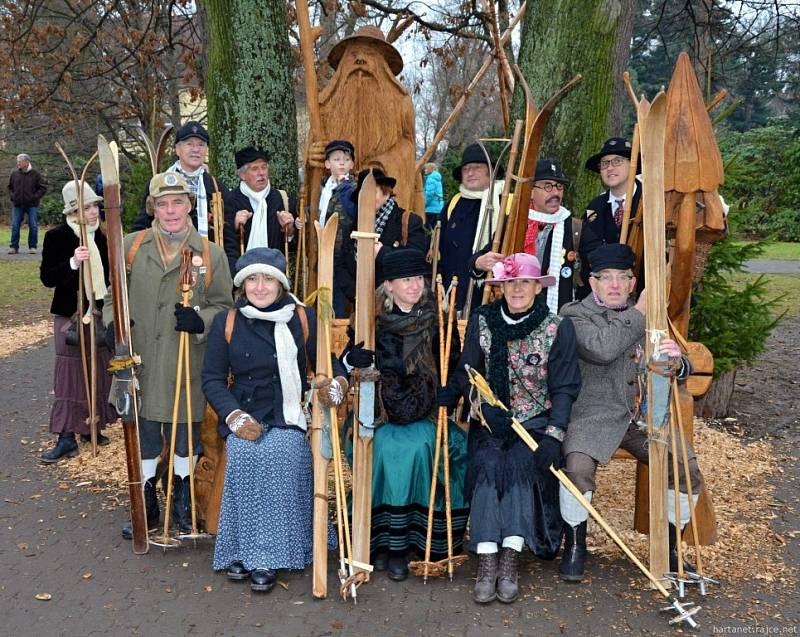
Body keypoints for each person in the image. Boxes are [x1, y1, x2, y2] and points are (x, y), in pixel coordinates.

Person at [202, 247, 347, 592]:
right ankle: (242, 548)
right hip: (245, 414)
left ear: (281, 284)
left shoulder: (302, 318)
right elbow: (211, 378)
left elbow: (332, 365)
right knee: (244, 454)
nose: (260, 286)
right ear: (242, 284)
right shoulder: (228, 321)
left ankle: (266, 555)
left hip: (288, 414)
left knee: (281, 454)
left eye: (268, 278)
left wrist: (337, 386)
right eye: (252, 279)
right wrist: (233, 416)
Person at [439, 252, 581, 604]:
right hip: (490, 420)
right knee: (488, 466)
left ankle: (510, 558)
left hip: (534, 424)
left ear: (537, 287)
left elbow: (564, 388)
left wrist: (553, 436)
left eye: (525, 282)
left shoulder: (556, 327)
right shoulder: (483, 320)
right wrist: (468, 399)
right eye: (510, 282)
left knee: (520, 466)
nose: (517, 289)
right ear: (500, 286)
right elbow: (469, 371)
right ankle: (487, 560)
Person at [557, 243, 702, 582]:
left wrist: (676, 362)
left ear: (632, 282)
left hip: (640, 418)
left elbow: (682, 361)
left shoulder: (651, 316)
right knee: (577, 469)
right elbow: (603, 349)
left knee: (684, 466)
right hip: (591, 416)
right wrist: (640, 312)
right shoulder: (574, 314)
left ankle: (668, 550)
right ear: (592, 283)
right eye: (605, 278)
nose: (614, 285)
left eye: (622, 278)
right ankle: (575, 547)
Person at [103, 172, 233, 539]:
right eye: (163, 203)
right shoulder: (130, 247)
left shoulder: (211, 253)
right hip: (139, 362)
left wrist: (201, 320)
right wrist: (117, 328)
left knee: (184, 437)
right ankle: (145, 502)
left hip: (186, 362)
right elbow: (114, 298)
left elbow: (225, 307)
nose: (171, 210)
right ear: (153, 208)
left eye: (178, 202)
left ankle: (181, 498)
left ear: (190, 205)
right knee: (143, 434)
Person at [342, 248, 468, 581]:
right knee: (382, 446)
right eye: (405, 280)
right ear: (389, 285)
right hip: (381, 412)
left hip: (428, 412)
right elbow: (348, 361)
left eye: (418, 279)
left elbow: (454, 365)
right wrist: (353, 358)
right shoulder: (371, 320)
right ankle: (379, 543)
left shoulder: (439, 318)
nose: (415, 286)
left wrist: (448, 390)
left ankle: (402, 546)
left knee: (416, 448)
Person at [39, 181, 115, 462]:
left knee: (96, 369)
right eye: (86, 207)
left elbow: (110, 279)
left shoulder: (104, 237)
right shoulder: (58, 237)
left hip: (98, 315)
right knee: (71, 375)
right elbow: (48, 278)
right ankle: (66, 437)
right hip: (69, 317)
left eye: (95, 205)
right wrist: (72, 263)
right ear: (73, 209)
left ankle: (90, 426)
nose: (94, 212)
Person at [469, 159, 600, 312]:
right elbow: (479, 259)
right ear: (530, 191)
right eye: (548, 186)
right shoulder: (514, 223)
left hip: (559, 315)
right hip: (516, 312)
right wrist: (480, 262)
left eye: (559, 187)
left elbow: (601, 261)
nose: (556, 193)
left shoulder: (575, 227)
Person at [336, 167, 426, 307]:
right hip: (360, 306)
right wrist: (358, 293)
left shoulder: (408, 221)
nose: (367, 198)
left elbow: (416, 261)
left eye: (372, 192)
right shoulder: (353, 227)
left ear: (386, 192)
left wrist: (382, 253)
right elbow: (341, 265)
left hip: (398, 309)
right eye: (363, 194)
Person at [130, 121, 229, 240]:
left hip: (207, 255)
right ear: (177, 149)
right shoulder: (159, 183)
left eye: (201, 145)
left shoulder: (216, 187)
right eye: (189, 144)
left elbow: (228, 233)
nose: (196, 150)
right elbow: (143, 223)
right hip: (167, 253)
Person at [438, 143, 504, 311]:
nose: (470, 172)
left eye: (477, 167)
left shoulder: (506, 204)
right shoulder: (453, 204)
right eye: (466, 168)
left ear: (491, 170)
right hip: (451, 294)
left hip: (488, 296)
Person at [222, 146, 296, 275]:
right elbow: (224, 242)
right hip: (241, 272)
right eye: (255, 169)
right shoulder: (231, 199)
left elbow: (288, 242)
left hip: (274, 271)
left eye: (264, 167)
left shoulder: (277, 197)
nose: (261, 173)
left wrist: (289, 228)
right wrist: (234, 225)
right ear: (242, 175)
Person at [317, 139, 356, 318]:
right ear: (327, 163)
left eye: (346, 159)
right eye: (337, 159)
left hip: (342, 252)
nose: (342, 163)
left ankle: (339, 335)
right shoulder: (324, 188)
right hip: (326, 251)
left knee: (340, 298)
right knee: (327, 294)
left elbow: (352, 213)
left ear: (352, 164)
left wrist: (344, 189)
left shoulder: (352, 189)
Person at [582, 137, 641, 246]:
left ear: (632, 163)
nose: (609, 168)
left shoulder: (650, 202)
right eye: (604, 163)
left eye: (617, 161)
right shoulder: (594, 207)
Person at [7, 153, 47, 254]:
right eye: (18, 161)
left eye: (20, 162)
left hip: (32, 205)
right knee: (15, 225)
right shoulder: (14, 174)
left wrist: (34, 197)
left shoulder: (36, 174)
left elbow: (42, 188)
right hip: (17, 205)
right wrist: (13, 197)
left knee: (33, 226)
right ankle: (14, 247)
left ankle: (32, 247)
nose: (18, 163)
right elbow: (10, 188)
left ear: (26, 162)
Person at [423, 162, 444, 229]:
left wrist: (424, 204)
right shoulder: (437, 178)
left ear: (430, 169)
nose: (424, 170)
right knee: (435, 229)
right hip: (438, 208)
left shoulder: (431, 179)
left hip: (430, 209)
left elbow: (429, 194)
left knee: (428, 230)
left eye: (426, 169)